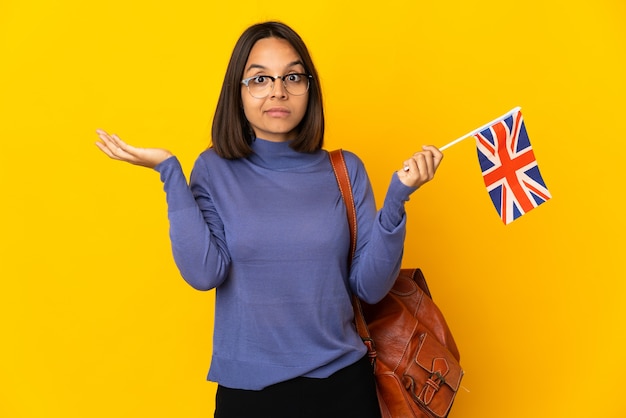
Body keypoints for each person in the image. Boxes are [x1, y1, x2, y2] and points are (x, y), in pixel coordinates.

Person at [95, 21, 443, 418]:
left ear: (309, 88)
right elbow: (203, 274)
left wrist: (398, 198)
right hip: (249, 395)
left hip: (343, 389)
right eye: (260, 78)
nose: (278, 90)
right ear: (238, 92)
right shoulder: (212, 169)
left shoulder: (344, 169)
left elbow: (369, 286)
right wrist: (169, 172)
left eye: (292, 76)